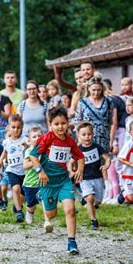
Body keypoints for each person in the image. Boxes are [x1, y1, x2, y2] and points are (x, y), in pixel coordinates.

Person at [29, 107, 85, 255]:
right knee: (51, 214)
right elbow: (33, 156)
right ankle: (41, 196)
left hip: (63, 181)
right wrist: (40, 171)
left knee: (70, 210)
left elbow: (80, 156)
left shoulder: (69, 141)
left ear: (68, 123)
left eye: (63, 123)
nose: (60, 127)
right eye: (56, 124)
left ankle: (72, 242)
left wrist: (80, 170)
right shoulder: (47, 138)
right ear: (50, 124)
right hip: (47, 182)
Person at [76, 122, 111, 229]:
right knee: (90, 198)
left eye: (89, 134)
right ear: (78, 136)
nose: (87, 137)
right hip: (85, 178)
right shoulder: (78, 149)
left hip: (97, 177)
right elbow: (71, 162)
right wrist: (72, 171)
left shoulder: (97, 147)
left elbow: (107, 158)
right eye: (84, 134)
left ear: (93, 134)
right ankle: (93, 220)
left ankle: (85, 199)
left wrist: (106, 165)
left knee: (98, 200)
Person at [0, 115, 28, 223]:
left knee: (24, 195)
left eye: (18, 127)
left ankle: (17, 205)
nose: (16, 130)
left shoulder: (25, 140)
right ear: (9, 128)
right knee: (15, 189)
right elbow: (4, 151)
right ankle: (19, 212)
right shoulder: (6, 142)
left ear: (22, 128)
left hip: (24, 171)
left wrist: (28, 147)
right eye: (13, 127)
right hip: (12, 170)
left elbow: (31, 151)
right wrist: (1, 160)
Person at [75, 77, 117, 151]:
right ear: (88, 89)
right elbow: (78, 122)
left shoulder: (108, 101)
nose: (96, 92)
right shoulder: (82, 102)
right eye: (93, 90)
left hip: (104, 139)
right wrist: (79, 139)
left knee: (104, 160)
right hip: (86, 138)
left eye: (99, 90)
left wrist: (111, 140)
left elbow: (111, 122)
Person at [22, 126, 44, 225]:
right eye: (34, 136)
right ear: (29, 140)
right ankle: (29, 212)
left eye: (39, 136)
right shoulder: (28, 151)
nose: (37, 138)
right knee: (32, 205)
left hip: (42, 181)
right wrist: (35, 162)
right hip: (30, 183)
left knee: (45, 201)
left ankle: (47, 221)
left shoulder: (45, 151)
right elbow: (25, 166)